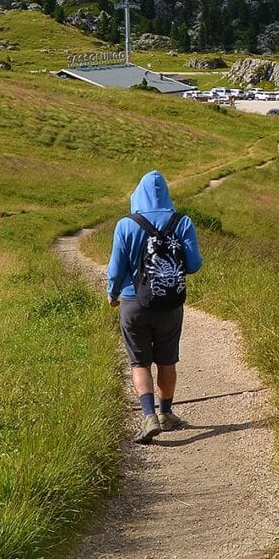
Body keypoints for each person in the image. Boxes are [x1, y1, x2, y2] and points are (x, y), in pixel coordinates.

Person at [107, 170, 203, 443]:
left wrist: (112, 293)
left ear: (138, 194)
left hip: (132, 301)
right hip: (170, 304)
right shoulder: (181, 222)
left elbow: (115, 269)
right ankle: (166, 413)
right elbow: (194, 265)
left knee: (139, 362)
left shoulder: (126, 224)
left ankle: (148, 415)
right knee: (167, 360)